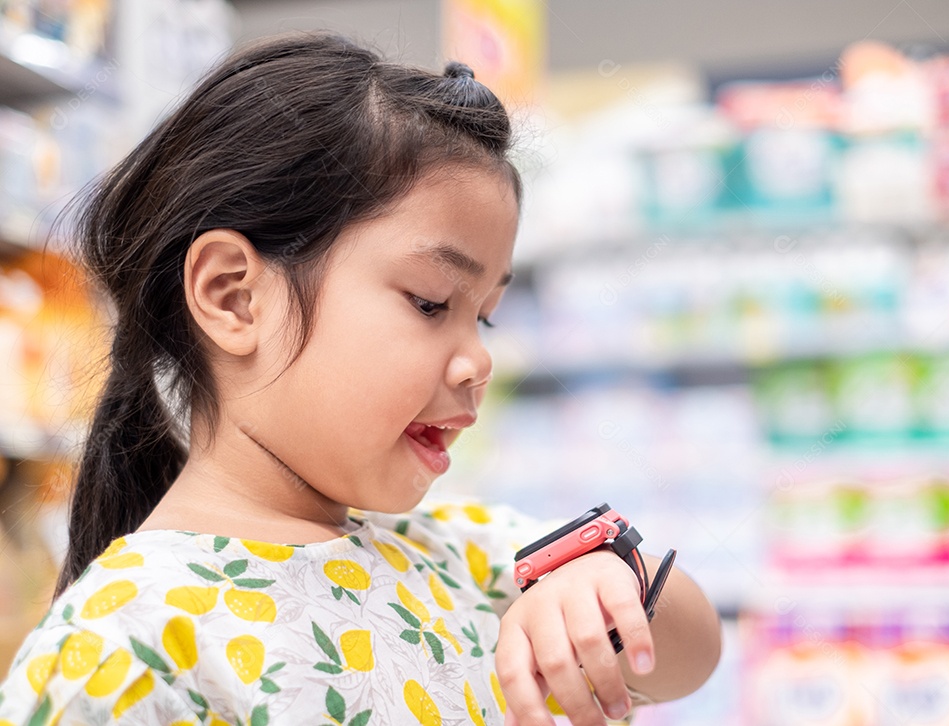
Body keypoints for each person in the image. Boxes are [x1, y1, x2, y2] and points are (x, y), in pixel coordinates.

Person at [0, 31, 721, 726]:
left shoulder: (461, 551)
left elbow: (691, 656)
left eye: (485, 318)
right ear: (233, 296)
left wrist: (611, 585)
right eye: (431, 302)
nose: (479, 362)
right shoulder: (123, 646)